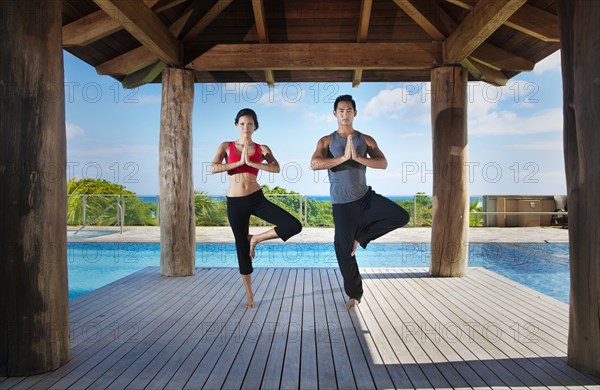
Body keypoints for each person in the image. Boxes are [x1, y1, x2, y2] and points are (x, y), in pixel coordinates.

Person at [310, 95, 410, 309]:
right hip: (342, 205)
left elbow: (382, 163)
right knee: (343, 252)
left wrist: (357, 158)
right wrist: (343, 159)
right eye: (341, 110)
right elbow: (315, 164)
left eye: (349, 110)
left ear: (355, 113)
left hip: (365, 198)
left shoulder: (366, 139)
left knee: (401, 216)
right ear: (334, 113)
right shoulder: (326, 140)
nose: (345, 114)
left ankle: (362, 237)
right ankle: (355, 294)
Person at [210, 108, 302, 308]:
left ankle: (256, 239)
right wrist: (237, 164)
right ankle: (250, 295)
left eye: (250, 123)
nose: (246, 127)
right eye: (242, 123)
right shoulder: (226, 146)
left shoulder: (263, 148)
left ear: (255, 126)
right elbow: (213, 167)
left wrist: (252, 162)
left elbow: (276, 168)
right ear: (237, 125)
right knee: (241, 248)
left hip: (256, 198)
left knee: (293, 225)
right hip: (235, 202)